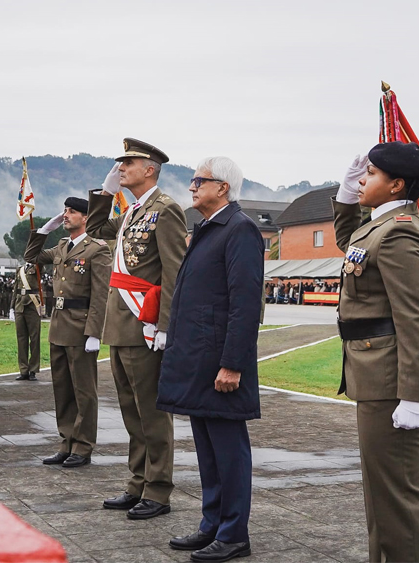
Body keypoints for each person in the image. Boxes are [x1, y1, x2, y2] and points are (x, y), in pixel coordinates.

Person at [332, 142, 419, 563]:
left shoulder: (402, 230)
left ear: (396, 184)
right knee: (381, 494)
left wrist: (415, 394)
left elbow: (416, 317)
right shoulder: (379, 226)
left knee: (399, 497)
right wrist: (347, 196)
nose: (363, 179)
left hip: (394, 378)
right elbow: (351, 244)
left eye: (371, 175)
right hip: (376, 372)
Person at [158, 157, 263, 562]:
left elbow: (244, 302)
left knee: (228, 450)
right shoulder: (209, 229)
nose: (191, 187)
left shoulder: (240, 229)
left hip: (220, 362)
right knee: (207, 448)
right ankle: (212, 525)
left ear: (222, 187)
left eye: (198, 180)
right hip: (200, 358)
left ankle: (234, 532)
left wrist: (233, 363)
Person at [86, 138, 187, 520]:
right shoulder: (132, 211)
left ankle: (158, 490)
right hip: (120, 324)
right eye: (120, 162)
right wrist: (105, 193)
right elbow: (95, 228)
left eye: (128, 162)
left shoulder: (166, 210)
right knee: (131, 411)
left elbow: (174, 269)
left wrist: (165, 325)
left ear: (150, 169)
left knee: (152, 414)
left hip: (145, 325)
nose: (121, 166)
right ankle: (138, 483)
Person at [25, 197, 111, 468]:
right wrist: (42, 232)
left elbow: (100, 294)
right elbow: (32, 257)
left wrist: (94, 332)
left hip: (81, 327)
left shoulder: (97, 249)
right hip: (59, 325)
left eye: (72, 212)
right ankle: (67, 442)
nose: (66, 215)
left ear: (85, 217)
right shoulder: (62, 246)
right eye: (64, 211)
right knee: (62, 390)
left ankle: (83, 447)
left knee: (84, 392)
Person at [11, 263, 42, 381]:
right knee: (21, 339)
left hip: (32, 305)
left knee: (34, 339)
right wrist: (11, 306)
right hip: (19, 305)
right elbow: (15, 288)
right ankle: (23, 370)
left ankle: (33, 370)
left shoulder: (38, 267)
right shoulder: (20, 269)